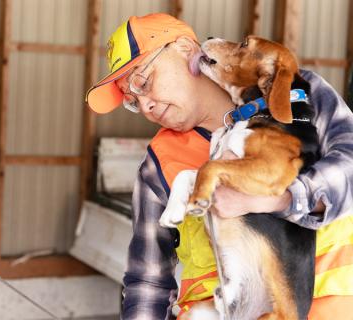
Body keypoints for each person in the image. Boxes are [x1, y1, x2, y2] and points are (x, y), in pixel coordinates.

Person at [86, 13, 353, 320]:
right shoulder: (158, 166)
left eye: (143, 82)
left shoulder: (295, 94)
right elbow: (148, 281)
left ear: (186, 49)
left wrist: (277, 199)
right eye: (132, 100)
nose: (144, 106)